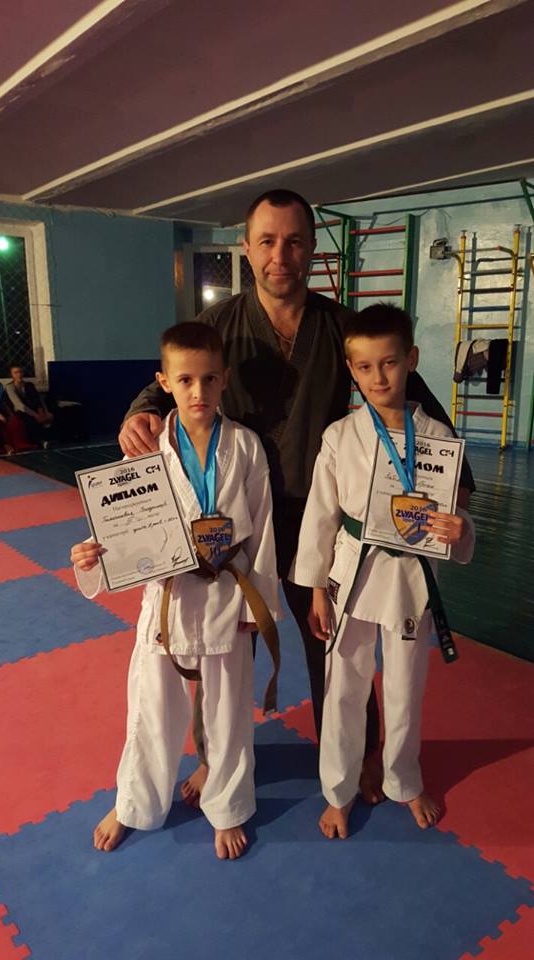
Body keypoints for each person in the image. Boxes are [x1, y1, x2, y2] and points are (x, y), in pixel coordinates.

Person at [118, 188, 475, 807]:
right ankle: (210, 757)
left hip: (320, 520)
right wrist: (140, 411)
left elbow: (410, 396)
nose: (279, 255)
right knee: (220, 644)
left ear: (312, 249)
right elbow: (176, 374)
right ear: (246, 248)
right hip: (234, 521)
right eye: (267, 241)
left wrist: (455, 487)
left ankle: (362, 754)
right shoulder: (221, 325)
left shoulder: (339, 326)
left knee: (334, 648)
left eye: (294, 241)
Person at [71, 322, 281, 860]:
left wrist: (260, 604)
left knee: (228, 714)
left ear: (225, 379)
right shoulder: (144, 452)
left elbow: (263, 531)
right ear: (164, 382)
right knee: (150, 711)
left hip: (227, 597)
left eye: (209, 379)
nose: (198, 391)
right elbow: (120, 524)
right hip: (166, 601)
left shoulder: (246, 446)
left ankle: (227, 807)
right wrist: (92, 555)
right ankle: (133, 804)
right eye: (185, 380)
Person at [290, 304, 475, 840]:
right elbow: (320, 516)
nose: (378, 377)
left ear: (411, 359)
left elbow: (455, 514)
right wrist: (316, 588)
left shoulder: (439, 437)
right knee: (343, 688)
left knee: (405, 689)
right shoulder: (340, 436)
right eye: (365, 367)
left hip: (410, 577)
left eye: (389, 363)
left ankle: (403, 780)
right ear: (351, 368)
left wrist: (460, 529)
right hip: (351, 575)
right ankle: (339, 790)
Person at [5, 365, 54, 448]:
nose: (19, 374)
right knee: (29, 420)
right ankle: (39, 441)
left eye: (20, 372)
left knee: (51, 414)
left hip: (33, 408)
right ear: (11, 375)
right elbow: (18, 405)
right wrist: (35, 415)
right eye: (15, 373)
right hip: (21, 410)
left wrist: (44, 411)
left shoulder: (29, 385)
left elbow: (38, 399)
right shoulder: (10, 387)